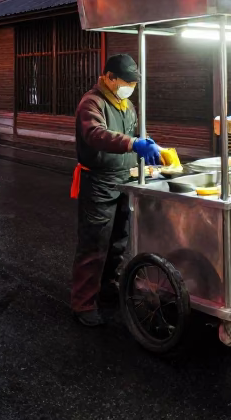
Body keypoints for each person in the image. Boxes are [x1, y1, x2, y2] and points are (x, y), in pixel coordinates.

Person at [70, 53, 162, 327]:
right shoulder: (92, 102)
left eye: (133, 84)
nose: (130, 88)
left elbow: (135, 133)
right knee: (94, 243)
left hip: (125, 178)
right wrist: (132, 144)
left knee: (118, 240)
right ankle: (83, 303)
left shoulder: (126, 105)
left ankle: (108, 286)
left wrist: (147, 144)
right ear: (109, 77)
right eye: (126, 82)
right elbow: (95, 134)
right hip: (98, 181)